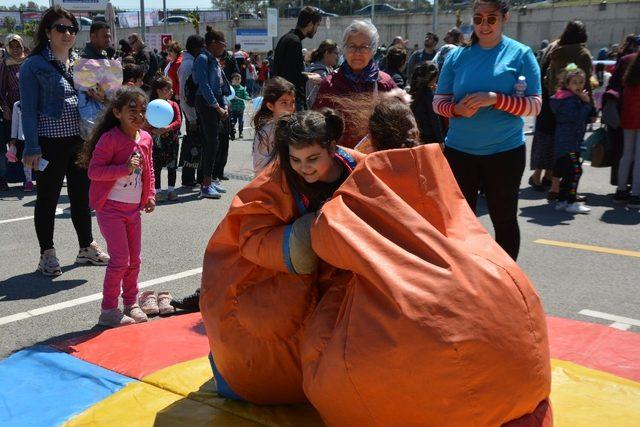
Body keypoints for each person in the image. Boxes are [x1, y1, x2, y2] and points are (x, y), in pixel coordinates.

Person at [200, 109, 364, 403]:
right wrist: (303, 240)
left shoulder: (360, 171)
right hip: (287, 274)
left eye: (313, 159)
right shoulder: (275, 180)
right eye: (296, 159)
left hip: (344, 273)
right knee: (265, 316)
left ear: (332, 147)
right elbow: (247, 233)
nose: (305, 168)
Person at [433, 0, 542, 260]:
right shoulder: (457, 56)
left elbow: (535, 105)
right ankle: (466, 277)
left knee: (503, 220)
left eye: (491, 18)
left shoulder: (521, 54)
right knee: (460, 223)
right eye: (478, 18)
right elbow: (438, 102)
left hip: (504, 152)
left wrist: (496, 98)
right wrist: (457, 109)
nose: (483, 25)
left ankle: (505, 282)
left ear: (505, 18)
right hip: (460, 152)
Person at [20, 6, 109, 276]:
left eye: (72, 29)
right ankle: (47, 254)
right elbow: (29, 109)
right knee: (47, 199)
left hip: (79, 139)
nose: (68, 33)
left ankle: (86, 247)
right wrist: (32, 147)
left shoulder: (80, 62)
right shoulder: (33, 65)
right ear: (47, 32)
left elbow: (101, 98)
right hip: (49, 143)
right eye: (61, 28)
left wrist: (100, 93)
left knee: (82, 197)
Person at [79, 86, 156, 327]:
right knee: (120, 260)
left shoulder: (145, 138)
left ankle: (131, 303)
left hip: (133, 210)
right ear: (117, 112)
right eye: (131, 110)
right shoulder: (110, 139)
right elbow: (94, 171)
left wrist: (151, 194)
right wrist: (123, 168)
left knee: (135, 260)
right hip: (111, 209)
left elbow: (149, 170)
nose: (138, 115)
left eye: (142, 111)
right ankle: (108, 310)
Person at [535, 20, 595, 200]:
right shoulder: (582, 54)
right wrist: (589, 107)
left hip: (556, 103)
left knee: (560, 150)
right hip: (575, 105)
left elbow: (546, 79)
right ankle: (569, 193)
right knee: (574, 153)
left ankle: (554, 186)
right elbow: (586, 84)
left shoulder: (556, 52)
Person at [314, 20, 397, 149]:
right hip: (341, 159)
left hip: (376, 159)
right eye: (352, 46)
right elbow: (318, 126)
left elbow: (398, 123)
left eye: (364, 46)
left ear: (373, 49)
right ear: (344, 49)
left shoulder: (385, 83)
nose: (357, 52)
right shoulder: (330, 84)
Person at [549, 64, 593, 214]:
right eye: (574, 82)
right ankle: (571, 202)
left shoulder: (570, 98)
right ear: (567, 84)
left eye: (581, 82)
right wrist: (586, 104)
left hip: (567, 142)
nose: (578, 85)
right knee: (576, 171)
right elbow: (577, 118)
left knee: (568, 173)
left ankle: (562, 200)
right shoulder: (570, 100)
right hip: (569, 144)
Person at [193, 28, 229, 199]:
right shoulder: (202, 58)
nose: (224, 48)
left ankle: (211, 179)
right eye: (223, 44)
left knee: (216, 143)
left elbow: (221, 85)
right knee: (210, 143)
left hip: (216, 104)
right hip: (206, 104)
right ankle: (205, 184)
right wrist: (217, 107)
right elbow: (204, 86)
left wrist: (224, 105)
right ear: (214, 43)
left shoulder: (214, 59)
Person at [272, 6, 323, 110]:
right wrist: (310, 78)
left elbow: (288, 70)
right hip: (289, 101)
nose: (316, 30)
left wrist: (308, 74)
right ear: (310, 24)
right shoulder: (294, 42)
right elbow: (291, 77)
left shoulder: (287, 38)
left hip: (282, 98)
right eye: (317, 25)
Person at [146, 76, 182, 202]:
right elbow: (145, 121)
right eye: (168, 89)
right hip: (156, 141)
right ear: (159, 91)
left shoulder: (174, 105)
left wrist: (167, 127)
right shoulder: (151, 106)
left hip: (172, 140)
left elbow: (178, 121)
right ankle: (158, 191)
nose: (172, 91)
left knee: (172, 165)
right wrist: (152, 129)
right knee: (156, 166)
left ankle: (171, 190)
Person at [252, 77, 296, 175]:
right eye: (284, 102)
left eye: (292, 102)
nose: (290, 107)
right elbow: (258, 166)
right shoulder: (266, 132)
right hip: (270, 183)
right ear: (270, 106)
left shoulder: (296, 128)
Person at [0, 34, 27, 191]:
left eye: (18, 47)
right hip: (13, 110)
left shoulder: (28, 61)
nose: (16, 50)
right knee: (14, 143)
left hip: (29, 109)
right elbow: (2, 89)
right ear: (7, 48)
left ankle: (29, 177)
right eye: (12, 47)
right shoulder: (5, 64)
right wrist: (6, 108)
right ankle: (8, 178)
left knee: (29, 142)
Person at [77, 21, 113, 141]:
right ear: (93, 36)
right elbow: (89, 87)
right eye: (105, 36)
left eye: (109, 36)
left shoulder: (102, 54)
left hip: (103, 110)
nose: (108, 39)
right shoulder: (85, 58)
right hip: (91, 116)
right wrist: (102, 94)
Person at [614, 51, 640, 208]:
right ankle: (636, 194)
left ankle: (621, 190)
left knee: (627, 155)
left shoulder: (629, 63)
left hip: (628, 115)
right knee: (639, 157)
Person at [178, 35, 204, 187]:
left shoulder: (191, 62)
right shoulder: (188, 65)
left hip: (194, 112)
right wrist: (192, 118)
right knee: (193, 147)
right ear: (195, 48)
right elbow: (185, 94)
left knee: (197, 146)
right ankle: (188, 178)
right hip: (192, 113)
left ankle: (194, 177)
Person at [409, 62, 443, 144]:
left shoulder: (413, 90)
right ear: (432, 78)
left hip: (415, 133)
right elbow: (435, 120)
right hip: (428, 137)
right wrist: (440, 141)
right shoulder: (429, 95)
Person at [305, 39, 339, 109]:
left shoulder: (326, 70)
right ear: (327, 53)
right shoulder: (319, 73)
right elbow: (314, 100)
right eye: (336, 53)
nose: (338, 57)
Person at [229, 72, 251, 140]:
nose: (237, 80)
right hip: (233, 108)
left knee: (241, 122)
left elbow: (245, 95)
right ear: (232, 80)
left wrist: (248, 98)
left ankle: (241, 132)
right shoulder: (230, 89)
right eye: (235, 79)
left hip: (241, 108)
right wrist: (232, 97)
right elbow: (227, 97)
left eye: (238, 79)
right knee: (233, 122)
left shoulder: (242, 88)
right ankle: (232, 133)